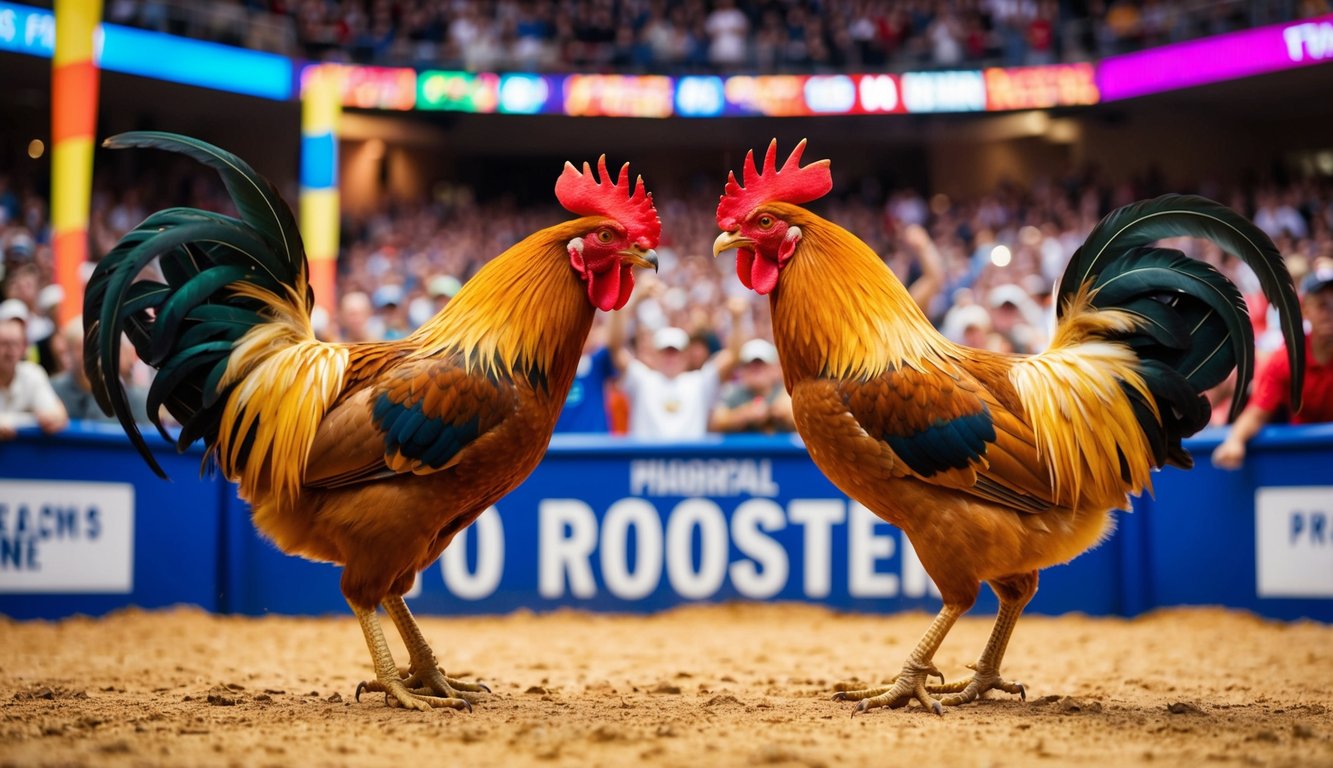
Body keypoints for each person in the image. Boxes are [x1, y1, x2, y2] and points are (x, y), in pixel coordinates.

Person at [1212, 266, 1333, 469]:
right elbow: (1258, 411)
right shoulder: (1285, 359)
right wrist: (1235, 440)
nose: (1330, 314)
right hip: (1302, 462)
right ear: (1305, 310)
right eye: (1323, 305)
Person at [608, 291, 746, 440]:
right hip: (645, 461)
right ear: (656, 355)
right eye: (665, 351)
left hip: (688, 461)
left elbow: (734, 355)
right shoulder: (642, 379)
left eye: (675, 351)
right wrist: (623, 307)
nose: (670, 357)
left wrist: (737, 319)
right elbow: (615, 349)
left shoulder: (699, 382)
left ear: (686, 356)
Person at [49, 315, 151, 424]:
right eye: (80, 347)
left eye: (94, 345)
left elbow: (148, 435)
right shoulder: (53, 390)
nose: (87, 354)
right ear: (68, 353)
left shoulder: (131, 397)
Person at [0, 315, 67, 440]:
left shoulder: (32, 374)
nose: (9, 351)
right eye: (3, 343)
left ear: (23, 348)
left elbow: (56, 413)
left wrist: (53, 418)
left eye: (14, 344)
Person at [709, 338, 794, 434]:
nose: (755, 369)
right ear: (742, 369)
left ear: (773, 368)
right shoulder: (732, 392)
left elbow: (799, 420)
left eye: (761, 364)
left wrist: (777, 414)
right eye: (750, 364)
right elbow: (715, 423)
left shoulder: (786, 392)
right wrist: (745, 415)